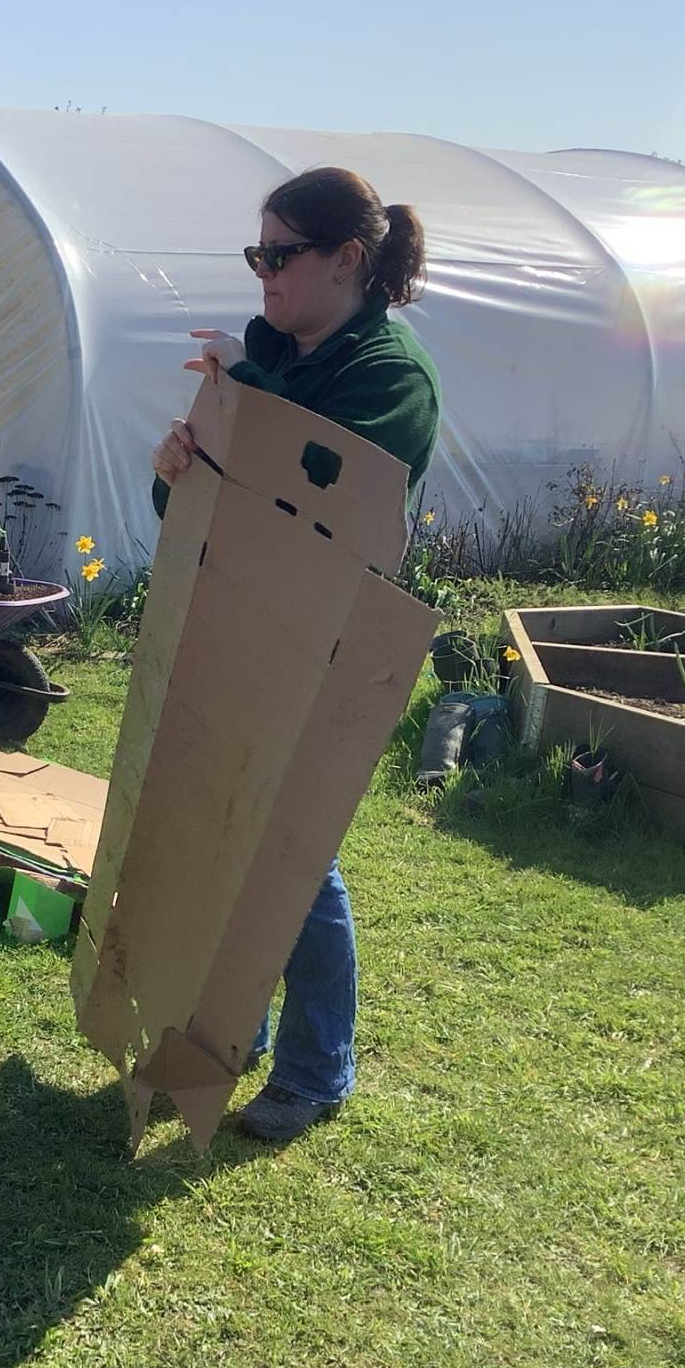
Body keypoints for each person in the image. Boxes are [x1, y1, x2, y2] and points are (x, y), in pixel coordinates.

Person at [151, 167, 441, 1142]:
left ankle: (317, 1072)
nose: (264, 273)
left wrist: (244, 393)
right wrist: (178, 465)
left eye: (279, 254)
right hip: (238, 626)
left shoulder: (388, 378)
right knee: (230, 837)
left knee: (293, 857)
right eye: (257, 254)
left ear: (347, 259)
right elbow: (201, 508)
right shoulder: (271, 361)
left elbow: (320, 498)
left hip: (324, 645)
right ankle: (239, 1030)